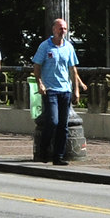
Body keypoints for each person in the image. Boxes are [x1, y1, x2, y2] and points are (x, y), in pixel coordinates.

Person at [31, 19, 82, 166]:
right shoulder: (45, 46)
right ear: (54, 29)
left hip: (65, 90)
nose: (63, 31)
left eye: (65, 29)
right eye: (60, 28)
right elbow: (37, 65)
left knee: (63, 125)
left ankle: (58, 156)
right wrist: (40, 83)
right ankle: (44, 149)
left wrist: (76, 90)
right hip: (50, 90)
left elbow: (73, 69)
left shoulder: (69, 47)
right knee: (52, 121)